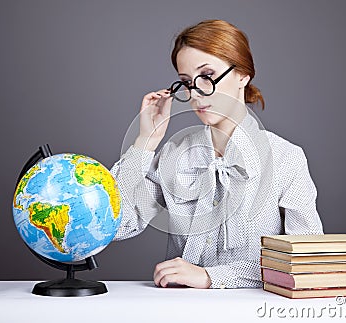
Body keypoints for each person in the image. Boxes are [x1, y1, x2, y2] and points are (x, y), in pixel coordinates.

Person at [110, 19, 323, 289]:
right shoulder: (173, 155)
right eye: (186, 82)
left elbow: (306, 261)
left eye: (207, 76)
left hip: (258, 309)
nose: (196, 93)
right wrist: (144, 143)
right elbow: (117, 225)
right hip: (181, 309)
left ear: (243, 75)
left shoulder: (285, 158)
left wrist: (212, 277)